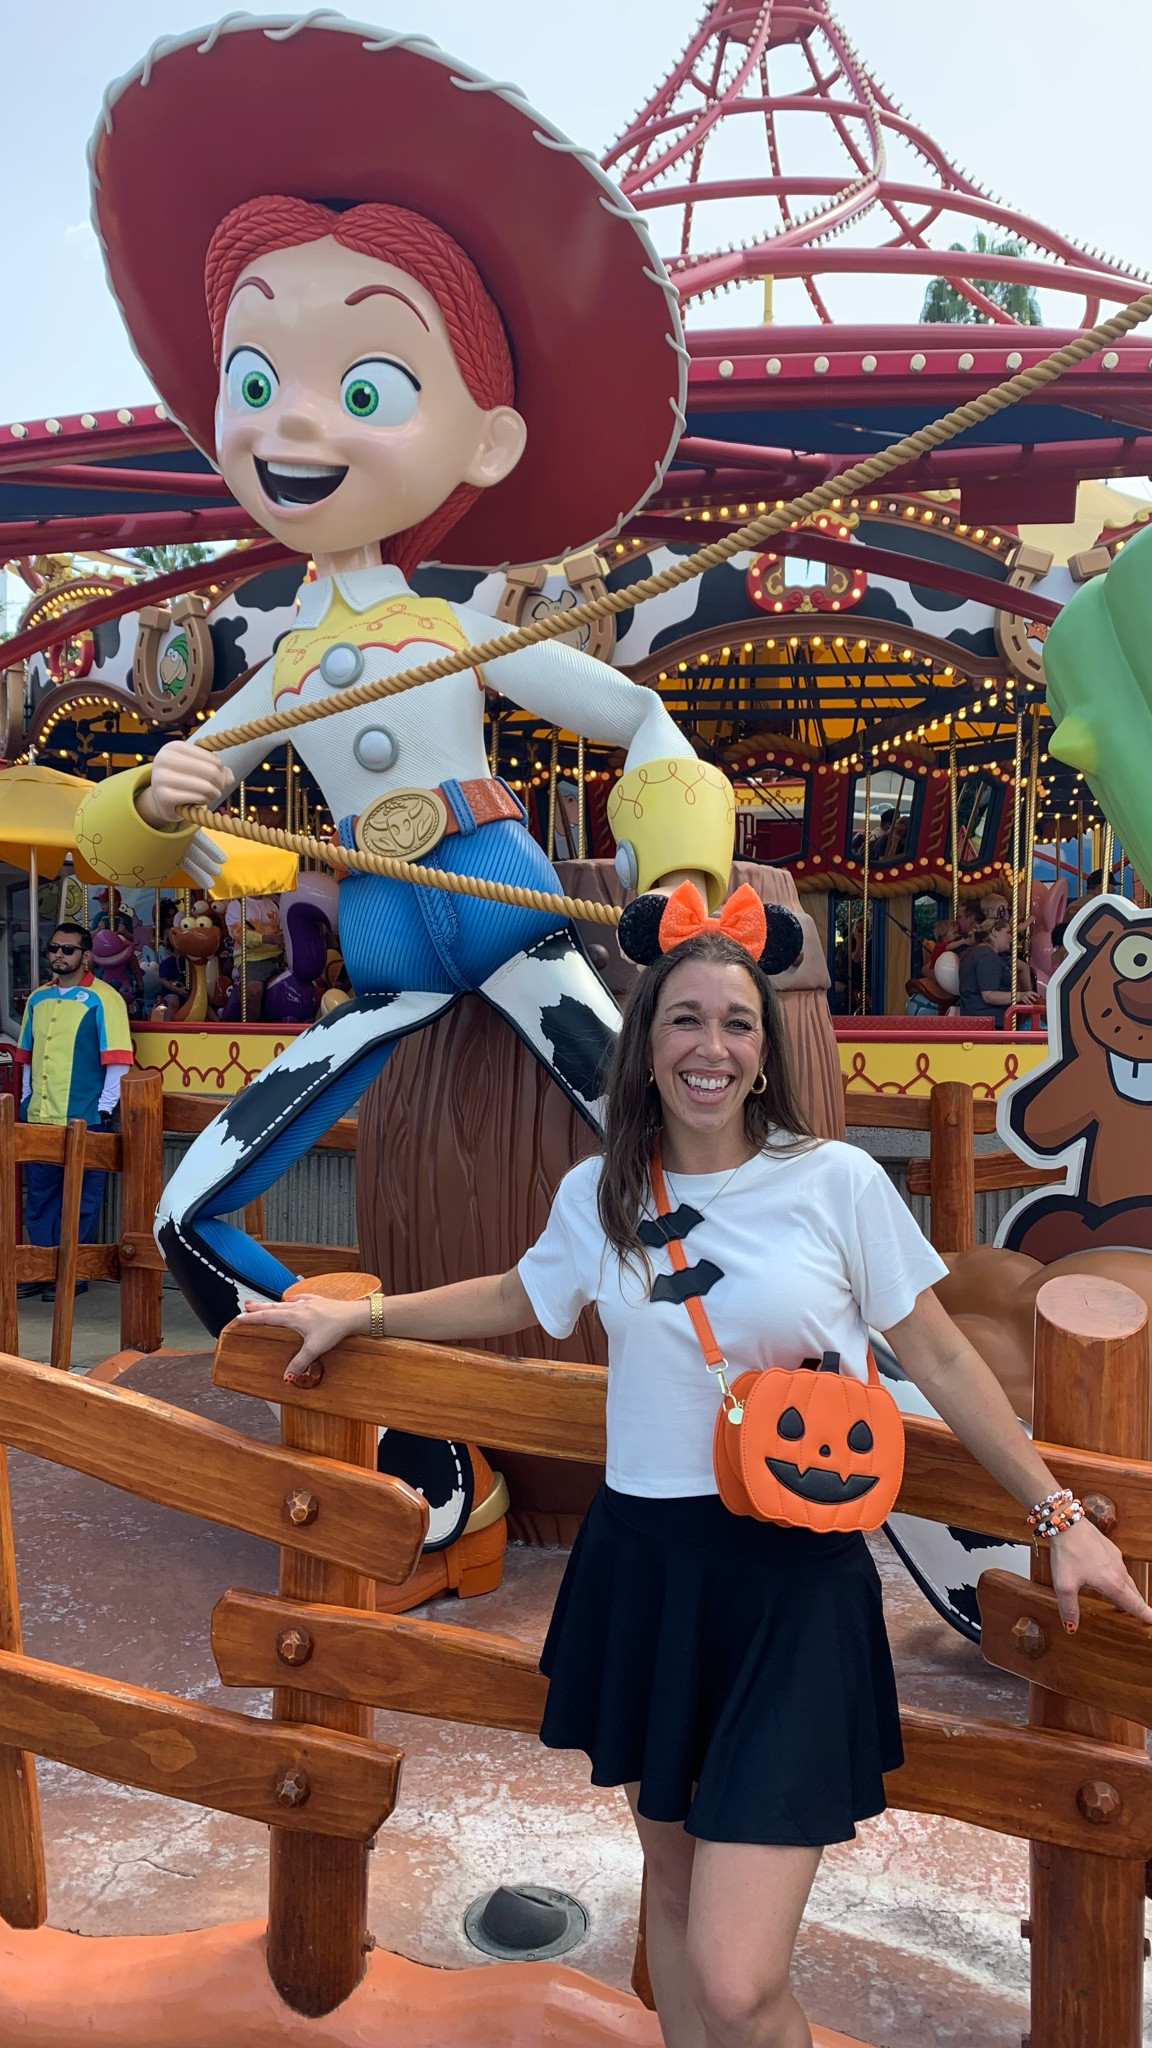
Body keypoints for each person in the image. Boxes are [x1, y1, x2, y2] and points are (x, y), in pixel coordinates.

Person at [240, 892, 1150, 2048]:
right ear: (647, 1043)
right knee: (668, 1891)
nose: (708, 1046)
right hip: (647, 1569)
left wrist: (1057, 1512)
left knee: (733, 1975)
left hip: (791, 1586)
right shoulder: (602, 1191)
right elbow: (522, 1294)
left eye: (734, 1022)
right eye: (683, 1020)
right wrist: (363, 1310)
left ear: (765, 1054)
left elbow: (937, 1351)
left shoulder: (837, 1183)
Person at [73, 17, 730, 1609]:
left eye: (360, 382)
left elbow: (643, 715)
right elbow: (148, 820)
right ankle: (428, 1460)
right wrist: (161, 799)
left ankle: (745, 1431)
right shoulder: (279, 653)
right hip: (385, 950)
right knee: (187, 1212)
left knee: (678, 1158)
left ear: (484, 439)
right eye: (255, 379)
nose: (289, 424)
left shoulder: (473, 619)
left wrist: (681, 874)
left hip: (502, 901)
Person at [14, 923, 134, 1302]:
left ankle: (74, 1270)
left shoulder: (105, 998)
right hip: (40, 1112)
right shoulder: (37, 998)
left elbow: (117, 1060)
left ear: (86, 954)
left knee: (80, 1197)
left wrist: (104, 1107)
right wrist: (27, 1097)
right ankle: (43, 1267)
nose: (59, 955)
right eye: (54, 948)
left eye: (68, 949)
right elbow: (28, 1059)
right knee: (40, 1196)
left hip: (85, 1114)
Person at [957, 919, 1014, 1025]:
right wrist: (1019, 996)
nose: (1011, 938)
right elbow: (989, 995)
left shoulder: (973, 952)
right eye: (1008, 932)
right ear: (994, 932)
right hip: (989, 1019)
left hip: (974, 1017)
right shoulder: (987, 955)